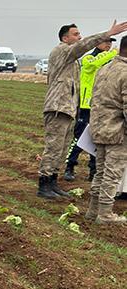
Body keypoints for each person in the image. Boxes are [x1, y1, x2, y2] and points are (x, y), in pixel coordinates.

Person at [37, 21, 127, 199]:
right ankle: (44, 184)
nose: (80, 37)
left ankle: (53, 181)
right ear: (65, 38)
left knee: (61, 149)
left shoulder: (72, 60)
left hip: (67, 109)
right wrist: (107, 33)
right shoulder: (61, 50)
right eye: (76, 34)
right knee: (53, 148)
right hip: (57, 108)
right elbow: (82, 46)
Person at [85, 36, 127, 224]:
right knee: (112, 174)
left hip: (99, 128)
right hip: (117, 131)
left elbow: (95, 100)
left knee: (101, 172)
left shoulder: (105, 68)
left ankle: (93, 211)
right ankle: (105, 213)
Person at [64, 37, 117, 182]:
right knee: (79, 137)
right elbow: (95, 63)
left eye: (111, 42)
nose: (109, 45)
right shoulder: (88, 59)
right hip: (86, 105)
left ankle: (94, 170)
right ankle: (70, 166)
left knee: (98, 139)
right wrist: (115, 53)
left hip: (102, 105)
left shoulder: (111, 61)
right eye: (106, 42)